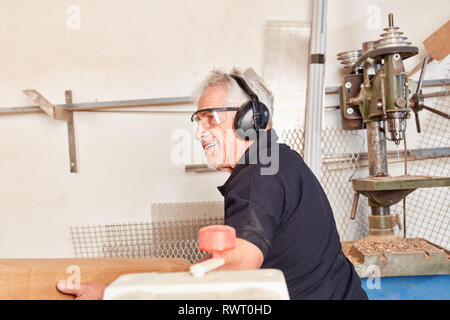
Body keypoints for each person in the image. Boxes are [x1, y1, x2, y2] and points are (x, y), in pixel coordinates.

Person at [57, 67, 368, 300]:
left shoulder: (257, 178)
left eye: (209, 118)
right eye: (198, 120)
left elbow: (234, 272)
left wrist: (114, 296)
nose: (199, 132)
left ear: (251, 118)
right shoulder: (281, 161)